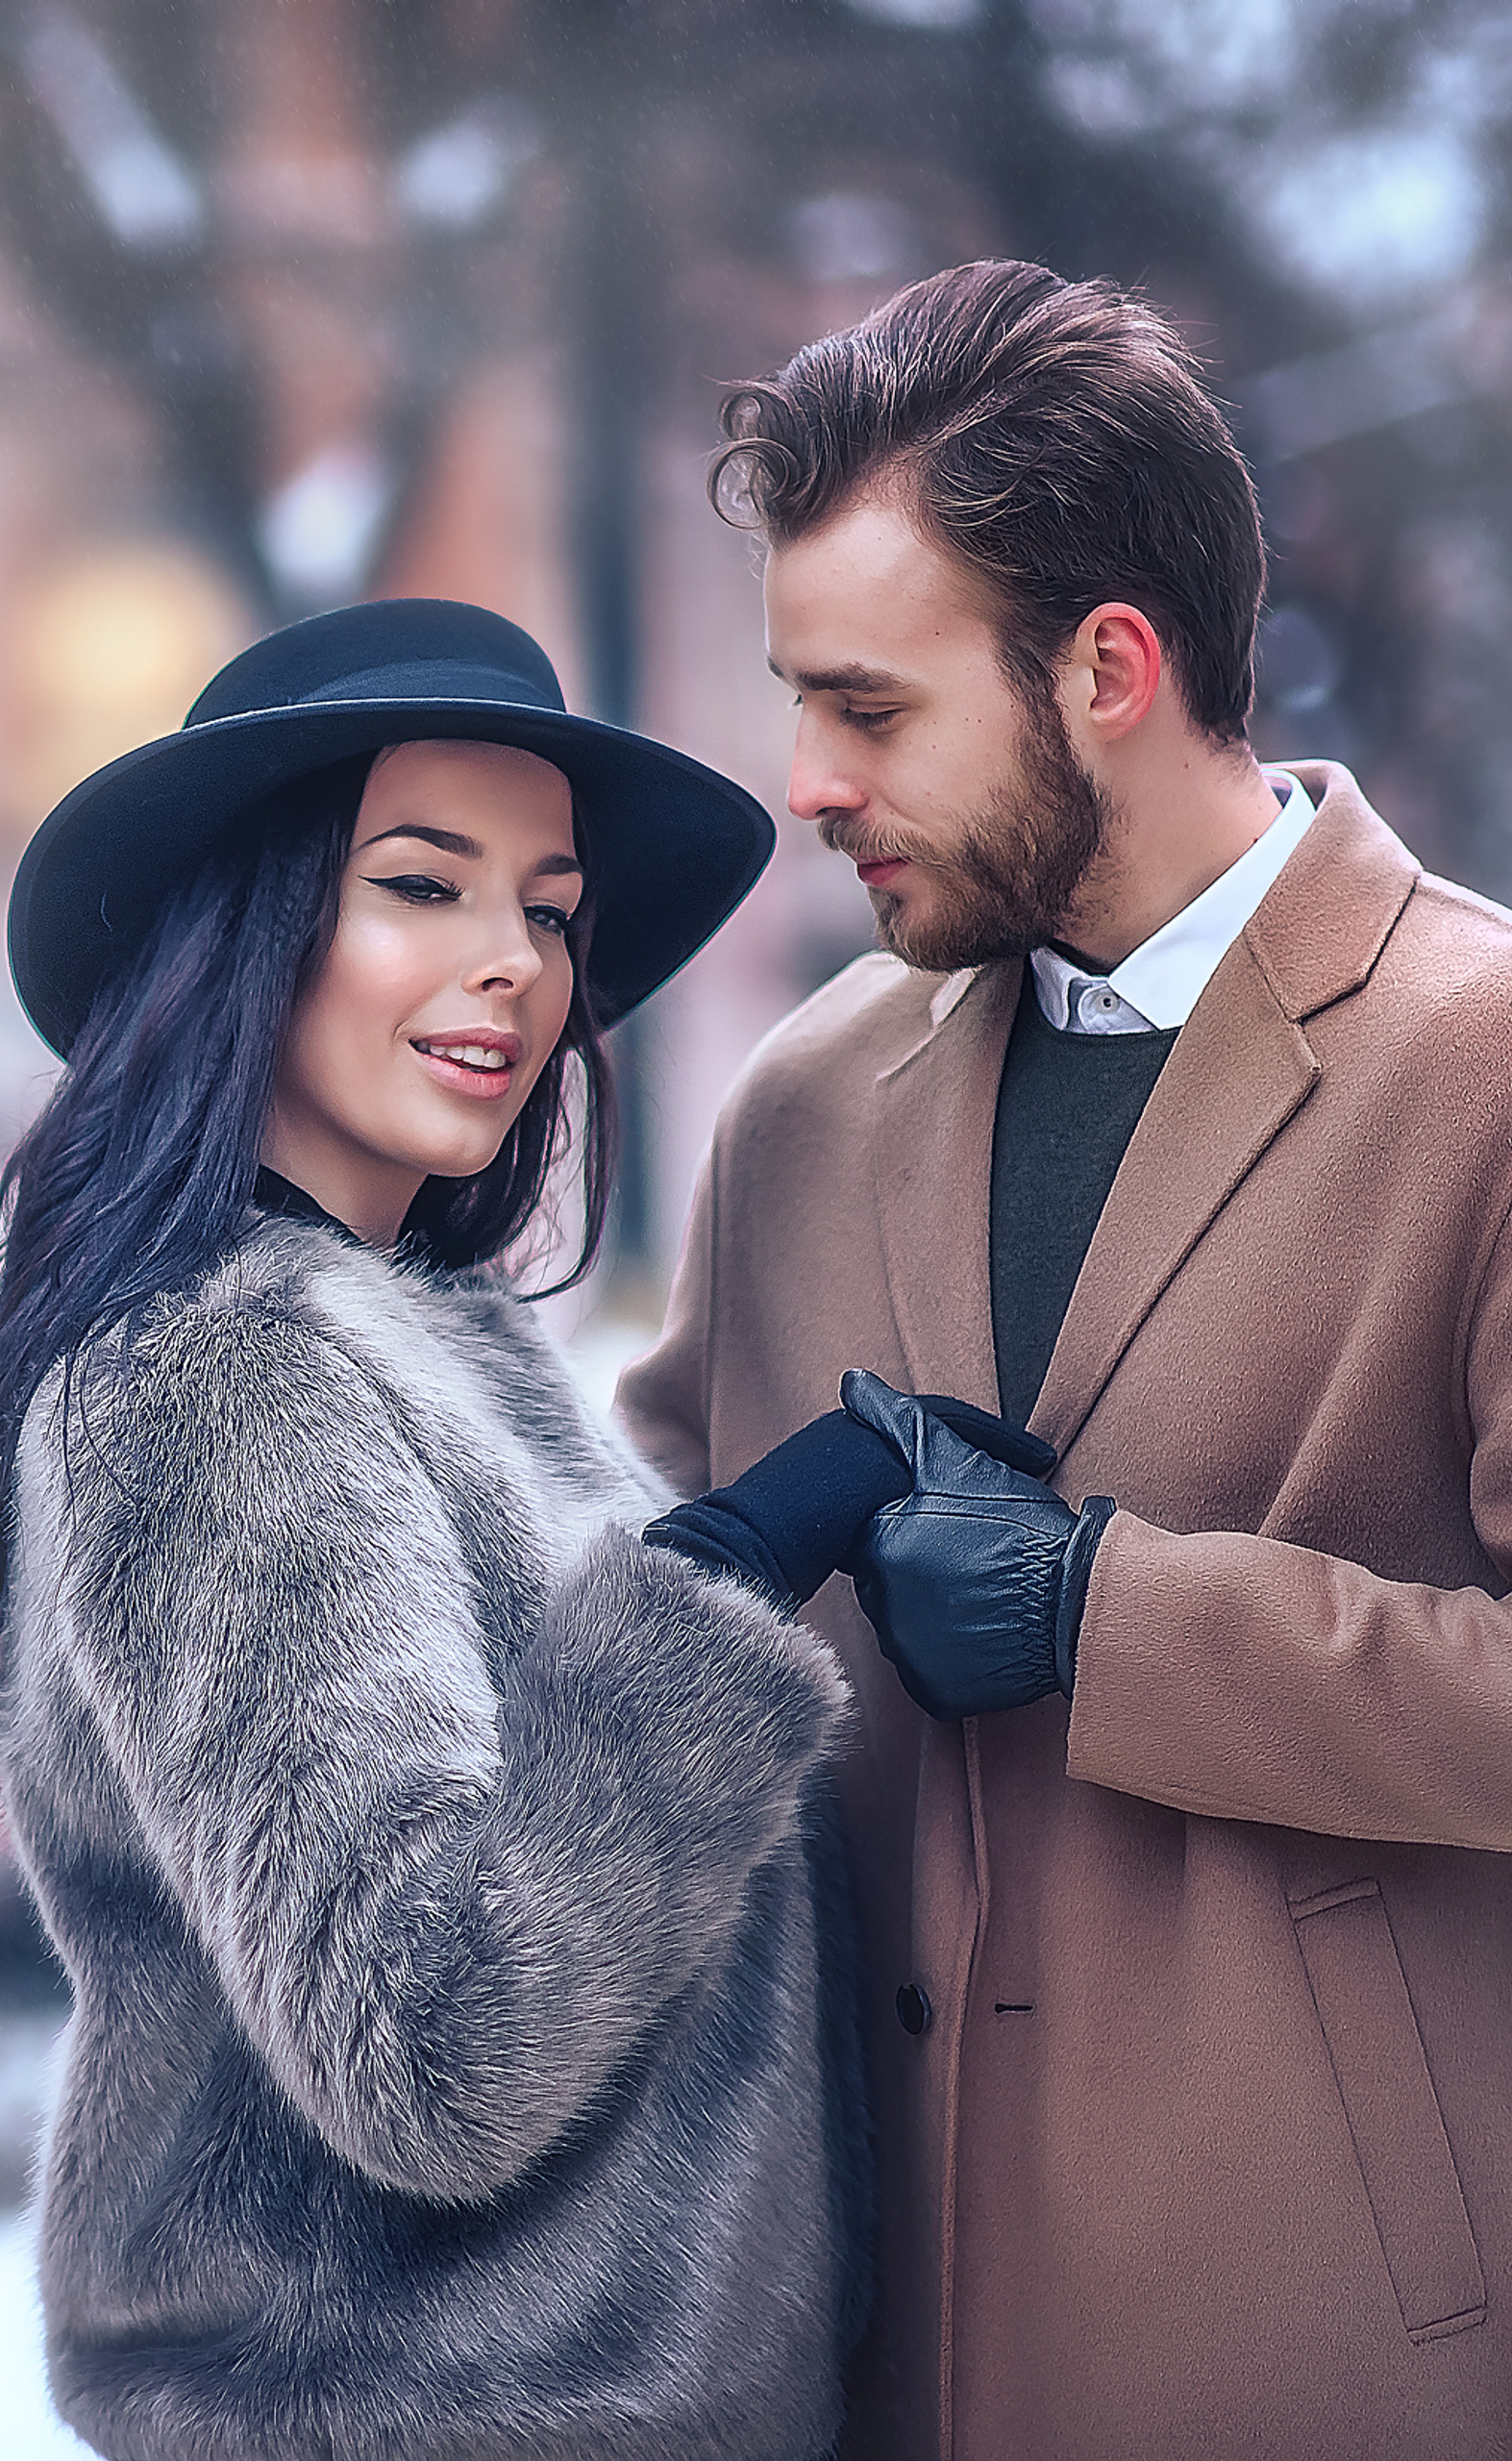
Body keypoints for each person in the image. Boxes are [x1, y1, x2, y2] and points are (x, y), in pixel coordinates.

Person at [0, 598, 1039, 2461]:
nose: (513, 963)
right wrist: (736, 1556)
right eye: (421, 885)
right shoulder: (218, 1370)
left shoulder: (402, 1332)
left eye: (550, 908)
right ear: (248, 931)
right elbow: (433, 2040)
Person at [619, 261, 1512, 2461]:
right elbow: (638, 1655)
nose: (803, 783)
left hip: (1327, 2361)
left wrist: (1104, 1612)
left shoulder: (1485, 1066)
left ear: (1105, 665)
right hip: (849, 2356)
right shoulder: (798, 1097)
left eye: (868, 707)